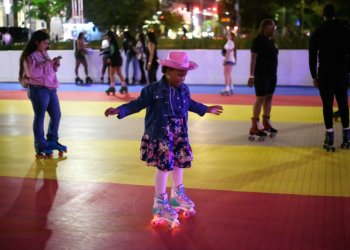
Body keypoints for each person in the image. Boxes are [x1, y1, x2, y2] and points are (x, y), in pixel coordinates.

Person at [104, 51, 223, 227]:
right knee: (164, 167)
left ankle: (177, 195)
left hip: (179, 132)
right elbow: (137, 104)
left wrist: (205, 109)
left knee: (179, 163)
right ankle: (159, 203)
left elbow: (189, 103)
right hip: (161, 133)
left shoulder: (183, 88)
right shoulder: (152, 90)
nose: (182, 77)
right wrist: (120, 110)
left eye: (185, 74)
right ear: (167, 70)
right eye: (179, 73)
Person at [18, 30, 67, 158]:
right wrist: (48, 64)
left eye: (47, 43)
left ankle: (52, 140)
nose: (46, 45)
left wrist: (54, 65)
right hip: (38, 89)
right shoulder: (29, 57)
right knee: (39, 116)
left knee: (56, 115)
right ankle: (40, 145)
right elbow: (32, 74)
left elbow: (49, 71)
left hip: (50, 88)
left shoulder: (44, 54)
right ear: (36, 42)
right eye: (44, 43)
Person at [309, 4, 350, 151]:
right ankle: (346, 136)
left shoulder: (318, 32)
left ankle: (330, 137)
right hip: (341, 72)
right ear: (335, 14)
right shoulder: (345, 30)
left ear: (323, 15)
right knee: (343, 104)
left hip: (325, 72)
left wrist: (314, 75)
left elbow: (312, 56)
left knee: (327, 104)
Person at [247, 19, 278, 140]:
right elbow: (253, 59)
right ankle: (254, 125)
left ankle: (266, 122)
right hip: (261, 75)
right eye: (272, 28)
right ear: (266, 28)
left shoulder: (271, 41)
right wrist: (251, 76)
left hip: (272, 75)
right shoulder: (258, 41)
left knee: (269, 98)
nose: (274, 30)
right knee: (260, 99)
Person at [104, 31, 127, 95]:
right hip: (118, 58)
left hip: (114, 59)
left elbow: (112, 52)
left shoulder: (112, 42)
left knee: (111, 74)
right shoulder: (114, 42)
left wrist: (109, 57)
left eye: (106, 35)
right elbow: (114, 50)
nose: (105, 37)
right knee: (119, 73)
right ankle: (124, 85)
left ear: (109, 36)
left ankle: (112, 87)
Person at [221, 31, 237, 95]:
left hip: (228, 60)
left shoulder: (230, 42)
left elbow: (228, 51)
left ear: (231, 36)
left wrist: (225, 59)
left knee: (226, 74)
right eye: (227, 34)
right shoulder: (231, 42)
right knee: (229, 74)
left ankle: (227, 87)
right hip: (230, 59)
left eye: (229, 35)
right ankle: (231, 87)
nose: (227, 35)